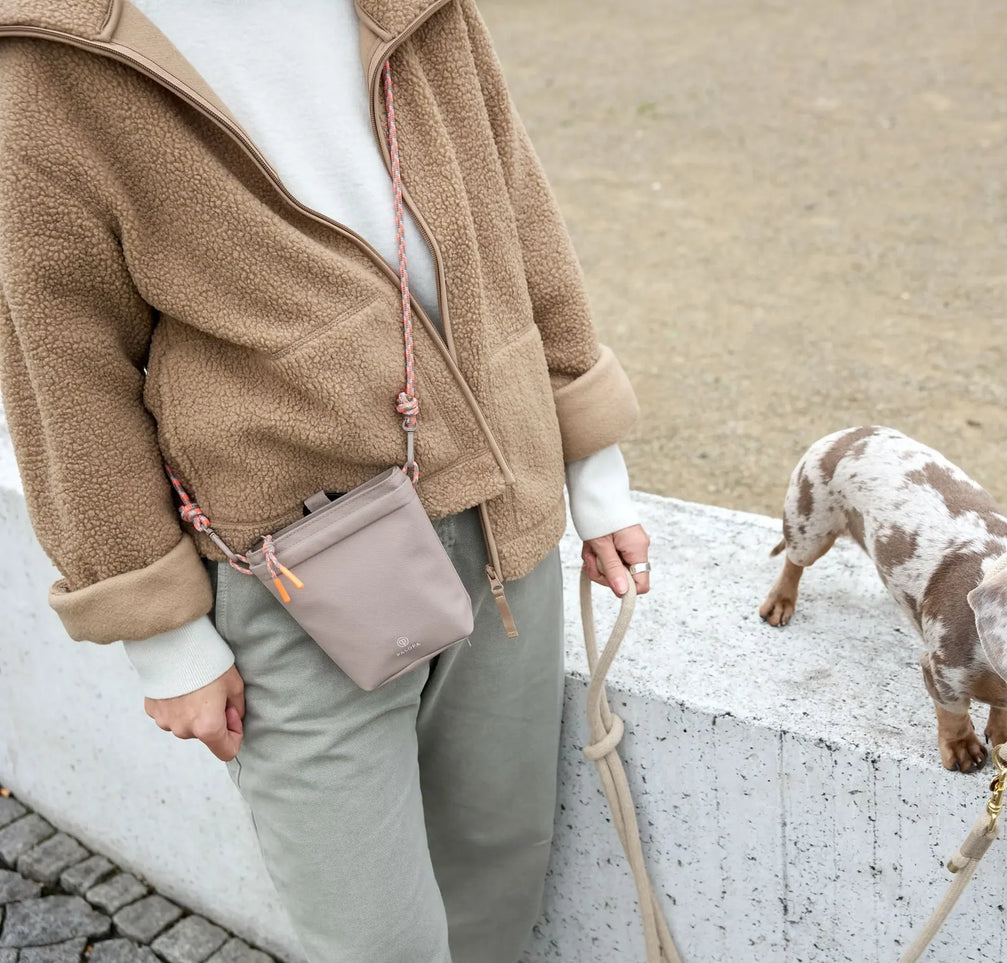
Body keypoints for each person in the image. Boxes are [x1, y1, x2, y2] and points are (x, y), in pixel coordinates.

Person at [0, 2, 650, 960]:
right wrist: (166, 635)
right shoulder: (52, 53)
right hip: (293, 567)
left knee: (495, 894)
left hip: (505, 524)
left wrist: (591, 470)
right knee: (374, 940)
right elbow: (62, 367)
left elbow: (511, 206)